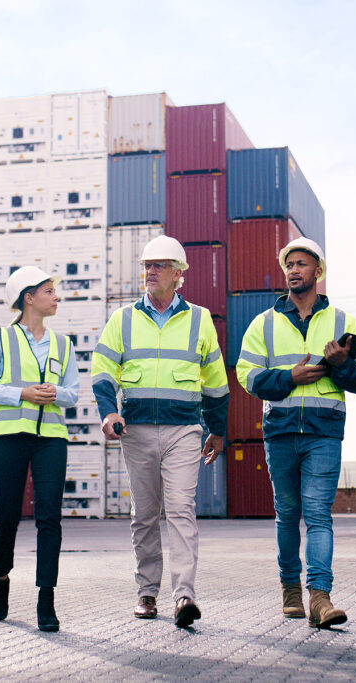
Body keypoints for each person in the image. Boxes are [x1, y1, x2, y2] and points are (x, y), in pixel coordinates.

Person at [235, 237, 356, 629]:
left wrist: (342, 364)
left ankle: (320, 597)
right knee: (287, 515)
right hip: (280, 432)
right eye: (289, 265)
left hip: (324, 432)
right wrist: (288, 377)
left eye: (301, 264)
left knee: (318, 515)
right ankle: (289, 590)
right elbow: (247, 375)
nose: (293, 270)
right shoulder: (264, 323)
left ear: (318, 271)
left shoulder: (344, 322)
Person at [90, 235, 228, 628]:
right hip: (136, 432)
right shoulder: (123, 319)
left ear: (178, 274)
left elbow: (216, 383)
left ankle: (184, 596)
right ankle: (147, 591)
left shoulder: (200, 320)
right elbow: (102, 371)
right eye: (147, 265)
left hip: (184, 430)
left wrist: (216, 430)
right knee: (145, 515)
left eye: (159, 265)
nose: (149, 271)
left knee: (182, 510)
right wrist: (108, 412)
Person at [0, 265, 79, 632]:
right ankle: (1, 580)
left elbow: (72, 393)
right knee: (7, 517)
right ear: (28, 298)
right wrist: (22, 393)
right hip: (9, 439)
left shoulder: (64, 345)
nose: (56, 296)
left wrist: (53, 394)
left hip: (51, 440)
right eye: (49, 291)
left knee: (50, 518)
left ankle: (45, 600)